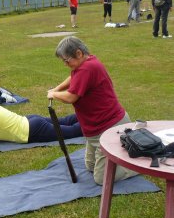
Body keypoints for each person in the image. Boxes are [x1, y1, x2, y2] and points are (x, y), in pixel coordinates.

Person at [47, 36, 138, 185]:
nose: (65, 64)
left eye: (66, 60)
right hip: (95, 130)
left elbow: (71, 98)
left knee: (101, 178)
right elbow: (72, 78)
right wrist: (57, 88)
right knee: (90, 166)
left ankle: (135, 166)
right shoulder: (84, 64)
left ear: (79, 53)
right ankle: (116, 156)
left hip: (110, 127)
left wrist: (54, 94)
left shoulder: (88, 68)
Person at [0, 88, 83, 147]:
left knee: (71, 131)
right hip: (31, 121)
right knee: (65, 121)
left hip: (33, 130)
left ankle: (97, 123)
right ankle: (89, 115)